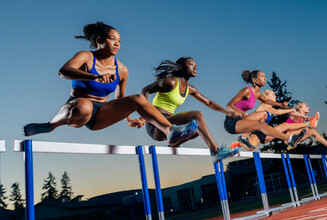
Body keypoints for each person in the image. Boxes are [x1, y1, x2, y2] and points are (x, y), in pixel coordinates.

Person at [23, 21, 198, 146]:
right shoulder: (86, 56)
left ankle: (171, 131)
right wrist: (93, 77)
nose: (117, 44)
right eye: (112, 39)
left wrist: (128, 120)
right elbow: (63, 71)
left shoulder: (122, 70)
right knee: (85, 106)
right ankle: (50, 125)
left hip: (101, 114)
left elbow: (120, 97)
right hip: (76, 108)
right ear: (99, 41)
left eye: (120, 41)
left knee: (137, 98)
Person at [141, 57, 239, 163]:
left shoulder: (190, 89)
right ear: (181, 67)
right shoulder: (171, 82)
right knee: (197, 115)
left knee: (197, 129)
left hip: (169, 124)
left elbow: (208, 102)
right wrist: (143, 116)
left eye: (196, 66)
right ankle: (216, 151)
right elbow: (145, 90)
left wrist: (227, 112)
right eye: (191, 64)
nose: (195, 67)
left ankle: (174, 143)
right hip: (156, 124)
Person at [225, 70, 307, 151]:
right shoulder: (247, 90)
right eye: (262, 76)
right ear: (255, 80)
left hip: (241, 121)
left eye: (265, 77)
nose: (265, 79)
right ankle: (290, 139)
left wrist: (280, 105)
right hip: (232, 122)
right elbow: (229, 105)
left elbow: (266, 101)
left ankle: (243, 139)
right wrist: (241, 112)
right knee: (263, 115)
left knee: (253, 143)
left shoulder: (257, 94)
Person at [231, 89, 320, 150]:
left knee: (286, 125)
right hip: (257, 132)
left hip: (265, 131)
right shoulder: (265, 105)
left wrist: (303, 117)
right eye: (273, 94)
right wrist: (290, 109)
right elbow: (277, 112)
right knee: (251, 147)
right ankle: (240, 143)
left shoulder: (270, 107)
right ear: (267, 98)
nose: (275, 95)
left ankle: (305, 127)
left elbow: (292, 112)